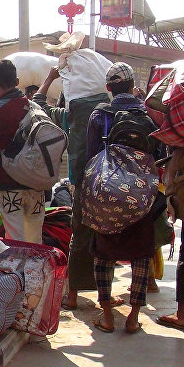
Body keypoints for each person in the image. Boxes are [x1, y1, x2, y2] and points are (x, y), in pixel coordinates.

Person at [83, 63, 162, 334]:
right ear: (132, 86)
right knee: (141, 253)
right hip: (141, 194)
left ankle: (106, 316)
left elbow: (91, 156)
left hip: (107, 192)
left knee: (103, 252)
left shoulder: (99, 115)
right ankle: (133, 317)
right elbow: (158, 154)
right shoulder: (147, 115)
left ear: (108, 88)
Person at [34, 61, 112, 310]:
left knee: (79, 237)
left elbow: (39, 105)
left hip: (81, 183)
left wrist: (49, 78)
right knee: (105, 238)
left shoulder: (71, 116)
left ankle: (74, 295)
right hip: (110, 183)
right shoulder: (113, 113)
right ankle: (105, 296)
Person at [0, 60, 45, 244]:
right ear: (17, 81)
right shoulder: (36, 109)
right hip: (37, 186)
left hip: (10, 186)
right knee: (35, 240)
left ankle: (18, 274)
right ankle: (36, 273)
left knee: (15, 241)